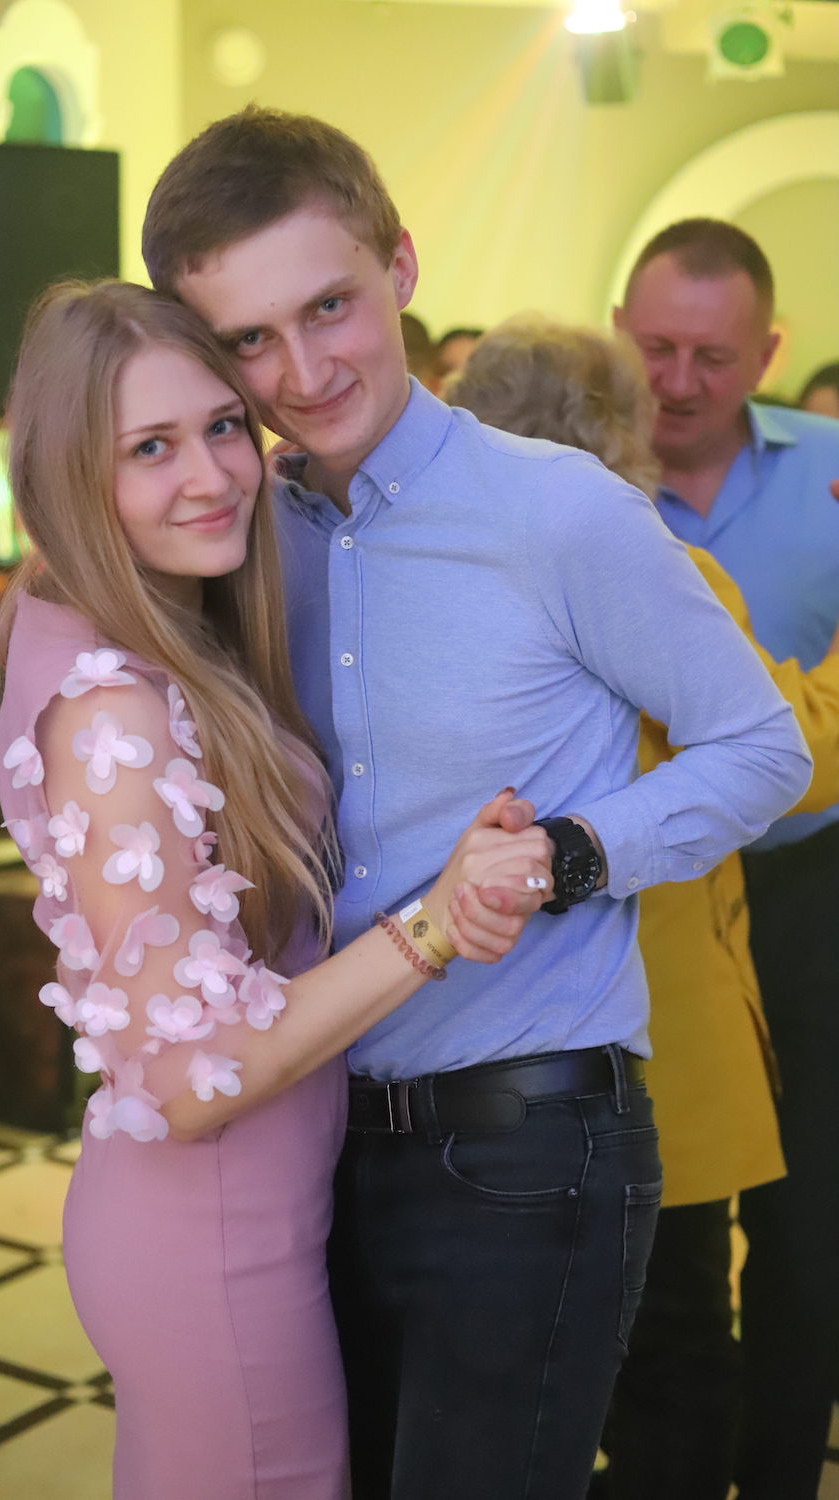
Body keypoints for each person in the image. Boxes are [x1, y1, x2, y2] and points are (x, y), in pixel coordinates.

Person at [140, 108, 812, 1500]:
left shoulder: (561, 513)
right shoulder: (244, 539)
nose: (303, 371)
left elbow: (762, 748)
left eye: (330, 306)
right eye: (251, 340)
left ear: (399, 263)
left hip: (528, 1141)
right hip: (313, 1137)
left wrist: (565, 856)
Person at [0, 279, 553, 1500]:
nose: (212, 476)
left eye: (221, 427)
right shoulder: (113, 714)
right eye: (149, 448)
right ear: (68, 480)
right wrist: (432, 923)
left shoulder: (134, 628)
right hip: (211, 1243)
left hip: (237, 1220)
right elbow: (191, 1079)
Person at [451, 313, 839, 1500]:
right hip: (652, 1038)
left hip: (467, 1039)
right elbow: (796, 759)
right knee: (672, 1361)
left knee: (517, 1371)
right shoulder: (660, 571)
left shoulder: (430, 586)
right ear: (619, 431)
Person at [615, 216, 839, 1500]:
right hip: (646, 918)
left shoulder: (830, 475)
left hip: (808, 900)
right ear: (617, 334)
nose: (679, 382)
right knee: (667, 1235)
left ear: (767, 350)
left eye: (712, 355)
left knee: (809, 1234)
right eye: (655, 347)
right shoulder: (577, 494)